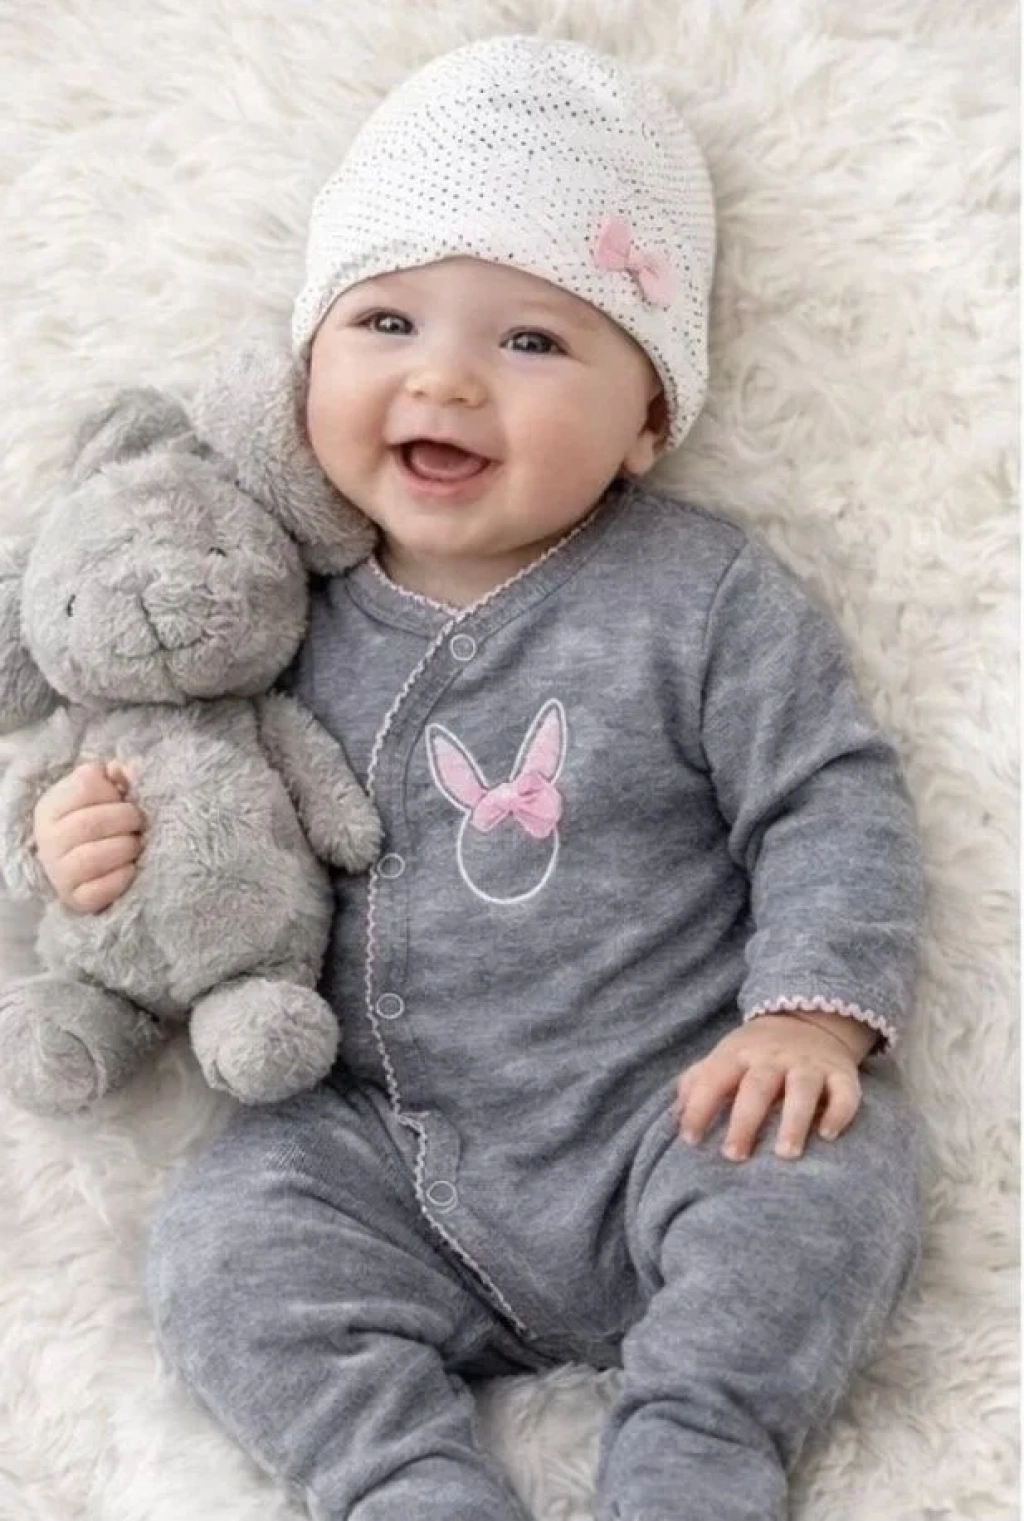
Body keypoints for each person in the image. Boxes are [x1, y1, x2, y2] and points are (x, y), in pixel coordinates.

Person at [29, 35, 925, 1521]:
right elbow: (192, 809)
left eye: (533, 342)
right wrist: (86, 850)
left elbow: (826, 795)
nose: (443, 376)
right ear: (306, 363)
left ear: (648, 422)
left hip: (670, 1112)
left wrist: (811, 1014)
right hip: (385, 1147)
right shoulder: (268, 609)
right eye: (385, 320)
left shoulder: (698, 597)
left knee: (832, 1172)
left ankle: (697, 1448)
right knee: (222, 1243)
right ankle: (402, 1481)